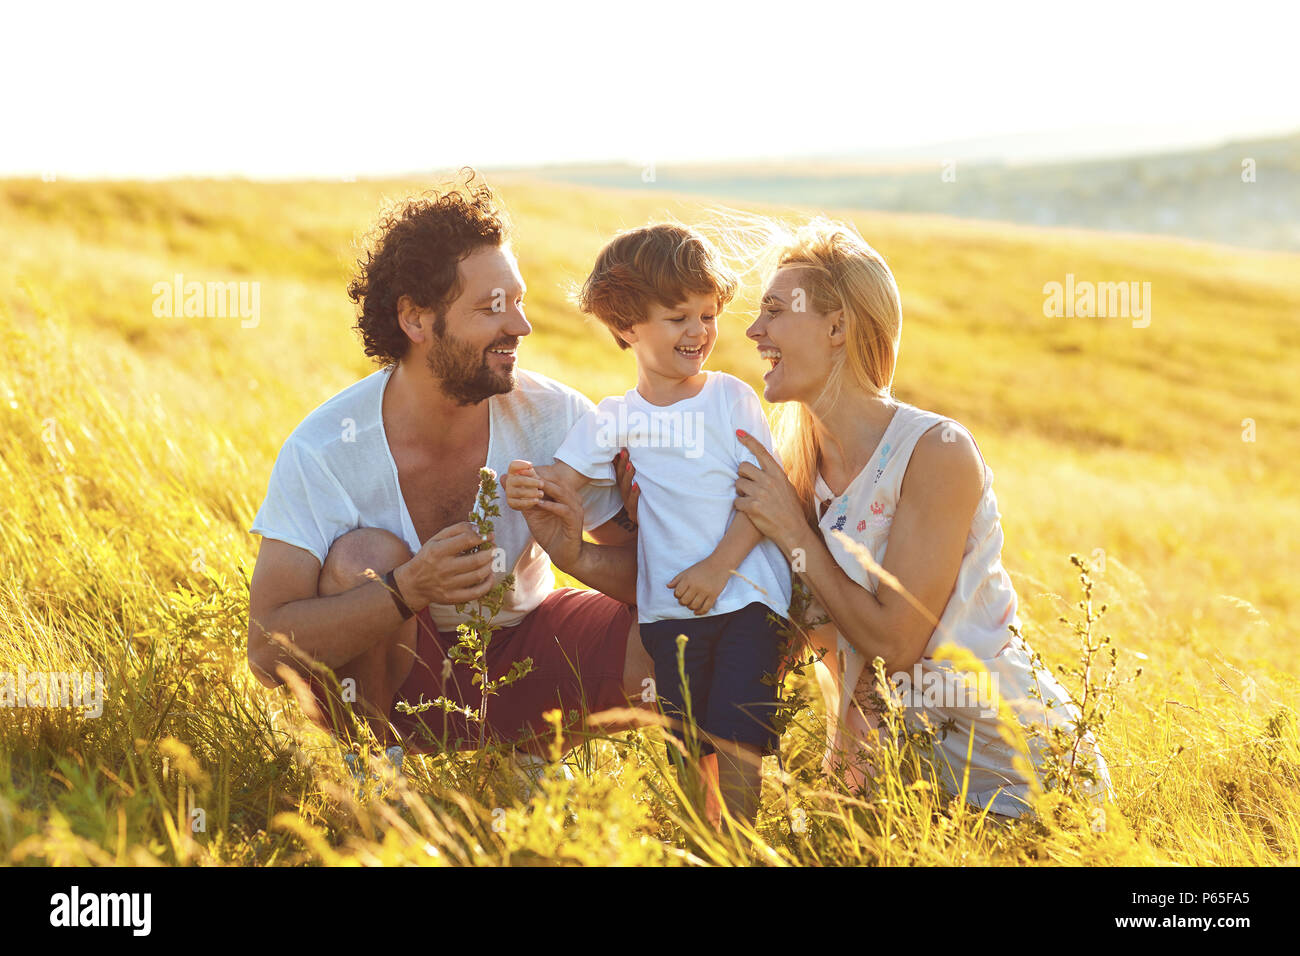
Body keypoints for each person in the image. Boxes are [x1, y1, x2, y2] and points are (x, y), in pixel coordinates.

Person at [630, 216, 1113, 821]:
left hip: (1017, 780)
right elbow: (716, 594)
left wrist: (795, 534)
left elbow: (895, 645)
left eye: (775, 309)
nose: (753, 330)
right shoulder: (795, 474)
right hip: (887, 795)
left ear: (836, 326)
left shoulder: (936, 451)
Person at [245, 172, 653, 764]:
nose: (520, 325)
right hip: (398, 672)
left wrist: (577, 556)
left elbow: (654, 579)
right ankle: (380, 774)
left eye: (519, 301)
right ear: (416, 321)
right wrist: (407, 590)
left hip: (527, 651)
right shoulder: (325, 449)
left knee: (680, 635)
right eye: (492, 307)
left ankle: (527, 756)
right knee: (365, 561)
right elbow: (265, 650)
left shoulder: (558, 417)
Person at [502, 224, 792, 824]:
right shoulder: (614, 419)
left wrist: (718, 568)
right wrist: (524, 483)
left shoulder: (730, 398)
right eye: (678, 317)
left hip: (746, 595)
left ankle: (741, 849)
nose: (699, 332)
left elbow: (764, 497)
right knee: (689, 740)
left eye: (708, 315)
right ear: (627, 328)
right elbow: (561, 483)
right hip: (668, 613)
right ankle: (702, 842)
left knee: (738, 738)